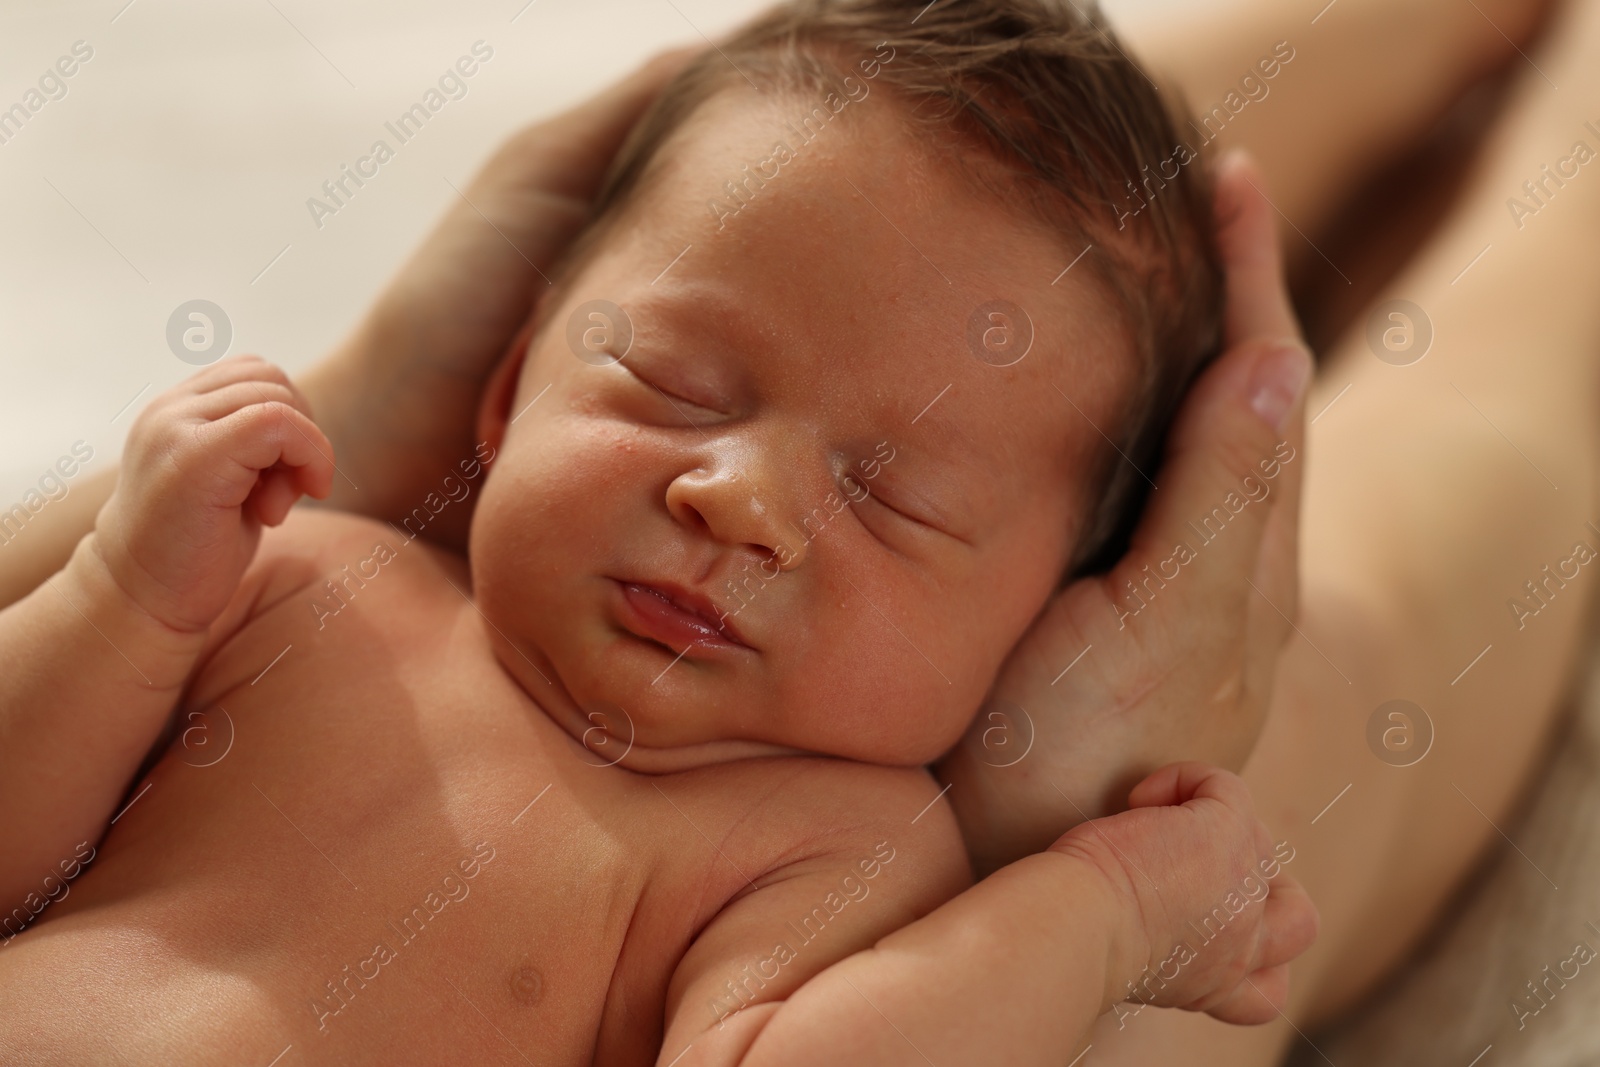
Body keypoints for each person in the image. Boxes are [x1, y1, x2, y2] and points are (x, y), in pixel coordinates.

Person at [0, 2, 1316, 1063]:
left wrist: (1107, 911)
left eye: (895, 499)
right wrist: (119, 591)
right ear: (513, 386)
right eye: (672, 387)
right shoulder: (302, 582)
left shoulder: (828, 848)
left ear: (1036, 619)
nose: (737, 499)